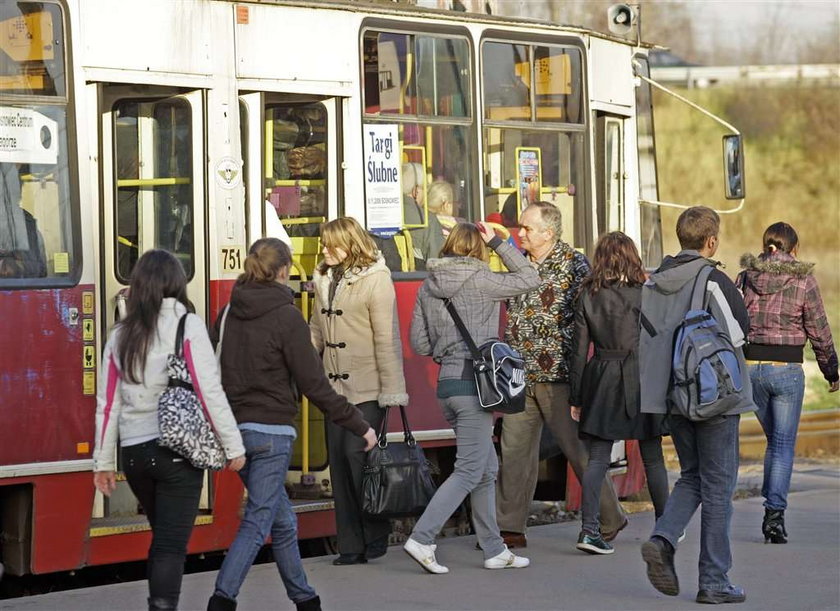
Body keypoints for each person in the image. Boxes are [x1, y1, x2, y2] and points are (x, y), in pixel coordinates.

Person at [207, 238, 377, 611]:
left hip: (235, 434)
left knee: (282, 521)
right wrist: (359, 424)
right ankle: (221, 599)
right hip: (271, 435)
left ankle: (305, 599)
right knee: (258, 521)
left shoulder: (228, 312)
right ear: (284, 271)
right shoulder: (287, 317)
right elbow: (314, 384)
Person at [93, 250, 246, 611]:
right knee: (170, 545)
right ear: (176, 283)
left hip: (134, 455)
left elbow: (107, 401)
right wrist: (233, 446)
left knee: (163, 538)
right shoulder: (187, 325)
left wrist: (102, 463)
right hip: (177, 453)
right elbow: (209, 390)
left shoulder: (120, 334)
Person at [405, 221, 539, 574]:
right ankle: (422, 538)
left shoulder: (428, 285)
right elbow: (530, 278)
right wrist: (499, 242)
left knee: (485, 468)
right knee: (468, 470)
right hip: (474, 390)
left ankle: (495, 549)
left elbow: (419, 343)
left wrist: (446, 350)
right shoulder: (482, 278)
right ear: (479, 248)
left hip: (448, 387)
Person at [639, 206, 754, 605]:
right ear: (711, 241)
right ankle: (715, 580)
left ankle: (663, 538)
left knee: (692, 477)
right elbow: (738, 334)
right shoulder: (713, 279)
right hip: (715, 399)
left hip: (672, 398)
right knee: (719, 489)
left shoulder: (653, 284)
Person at [496, 201, 627, 549]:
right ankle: (510, 528)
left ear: (548, 233)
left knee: (578, 452)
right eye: (520, 227)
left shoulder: (574, 265)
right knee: (514, 451)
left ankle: (610, 518)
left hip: (559, 376)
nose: (519, 233)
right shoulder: (518, 263)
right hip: (519, 375)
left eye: (526, 228)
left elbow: (591, 318)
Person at [309, 217, 409, 566]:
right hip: (332, 389)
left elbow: (386, 337)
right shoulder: (322, 277)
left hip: (367, 388)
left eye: (330, 244)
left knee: (359, 461)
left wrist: (393, 392)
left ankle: (375, 534)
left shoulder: (376, 279)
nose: (324, 250)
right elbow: (316, 330)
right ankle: (350, 546)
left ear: (350, 244)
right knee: (338, 465)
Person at [736, 222, 838, 544]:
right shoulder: (803, 277)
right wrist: (831, 371)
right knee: (781, 445)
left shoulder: (746, 276)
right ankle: (774, 516)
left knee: (776, 442)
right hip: (787, 369)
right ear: (794, 249)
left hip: (751, 369)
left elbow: (736, 319)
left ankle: (773, 503)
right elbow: (819, 327)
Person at [569, 232, 669, 555]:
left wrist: (576, 397)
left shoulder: (588, 294)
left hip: (601, 378)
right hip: (642, 378)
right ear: (632, 257)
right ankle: (666, 527)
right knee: (653, 456)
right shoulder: (645, 294)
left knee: (597, 458)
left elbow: (579, 351)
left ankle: (589, 530)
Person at [402, 162, 444, 269]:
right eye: (425, 188)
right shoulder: (428, 220)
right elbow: (437, 263)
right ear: (415, 191)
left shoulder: (382, 217)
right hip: (418, 280)